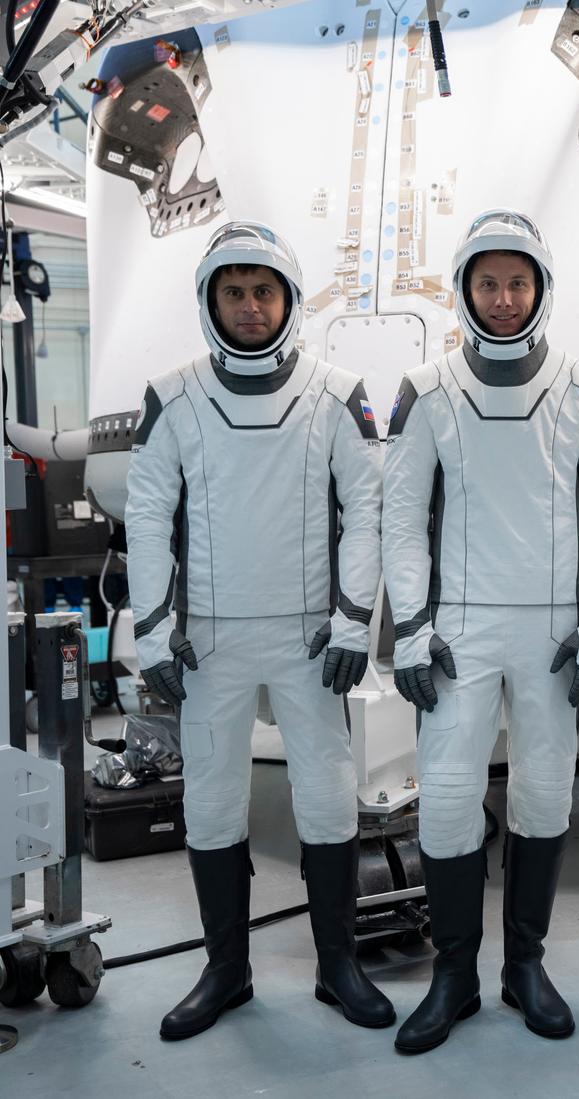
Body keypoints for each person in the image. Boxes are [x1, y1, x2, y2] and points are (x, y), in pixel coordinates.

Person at [126, 221, 393, 1039]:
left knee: (328, 796)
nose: (249, 306)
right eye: (234, 292)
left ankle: (337, 965)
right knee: (211, 803)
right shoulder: (173, 397)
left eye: (264, 291)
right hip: (210, 640)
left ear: (289, 299)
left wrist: (354, 620)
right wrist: (152, 629)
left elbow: (368, 509)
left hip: (310, 638)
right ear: (210, 302)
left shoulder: (335, 393)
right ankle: (227, 970)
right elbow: (147, 513)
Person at [381, 209, 579, 1053]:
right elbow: (401, 520)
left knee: (544, 794)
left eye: (517, 282)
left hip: (553, 635)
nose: (502, 298)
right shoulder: (427, 389)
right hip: (458, 634)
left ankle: (525, 965)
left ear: (541, 288)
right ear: (464, 290)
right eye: (487, 282)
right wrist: (410, 630)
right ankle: (454, 975)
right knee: (450, 799)